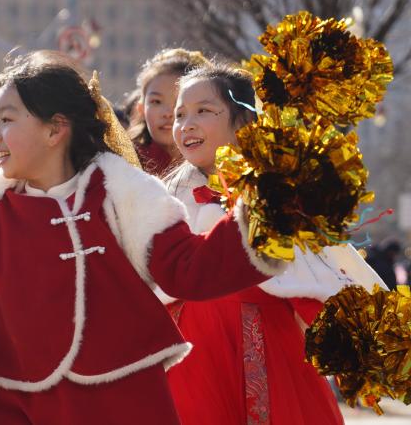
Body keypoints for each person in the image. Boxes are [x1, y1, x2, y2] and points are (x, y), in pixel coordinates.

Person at [0, 50, 285, 425]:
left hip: (123, 402)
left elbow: (188, 269)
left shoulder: (121, 191)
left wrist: (268, 216)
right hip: (15, 403)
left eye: (6, 120)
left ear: (55, 130)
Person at [162, 61, 386, 425]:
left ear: (244, 122)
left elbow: (314, 279)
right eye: (180, 114)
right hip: (192, 356)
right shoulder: (166, 200)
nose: (186, 124)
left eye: (204, 111)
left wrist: (357, 345)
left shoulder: (277, 194)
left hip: (264, 345)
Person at [128, 48, 208, 176]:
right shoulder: (125, 163)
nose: (168, 113)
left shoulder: (220, 163)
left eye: (178, 102)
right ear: (141, 109)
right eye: (156, 102)